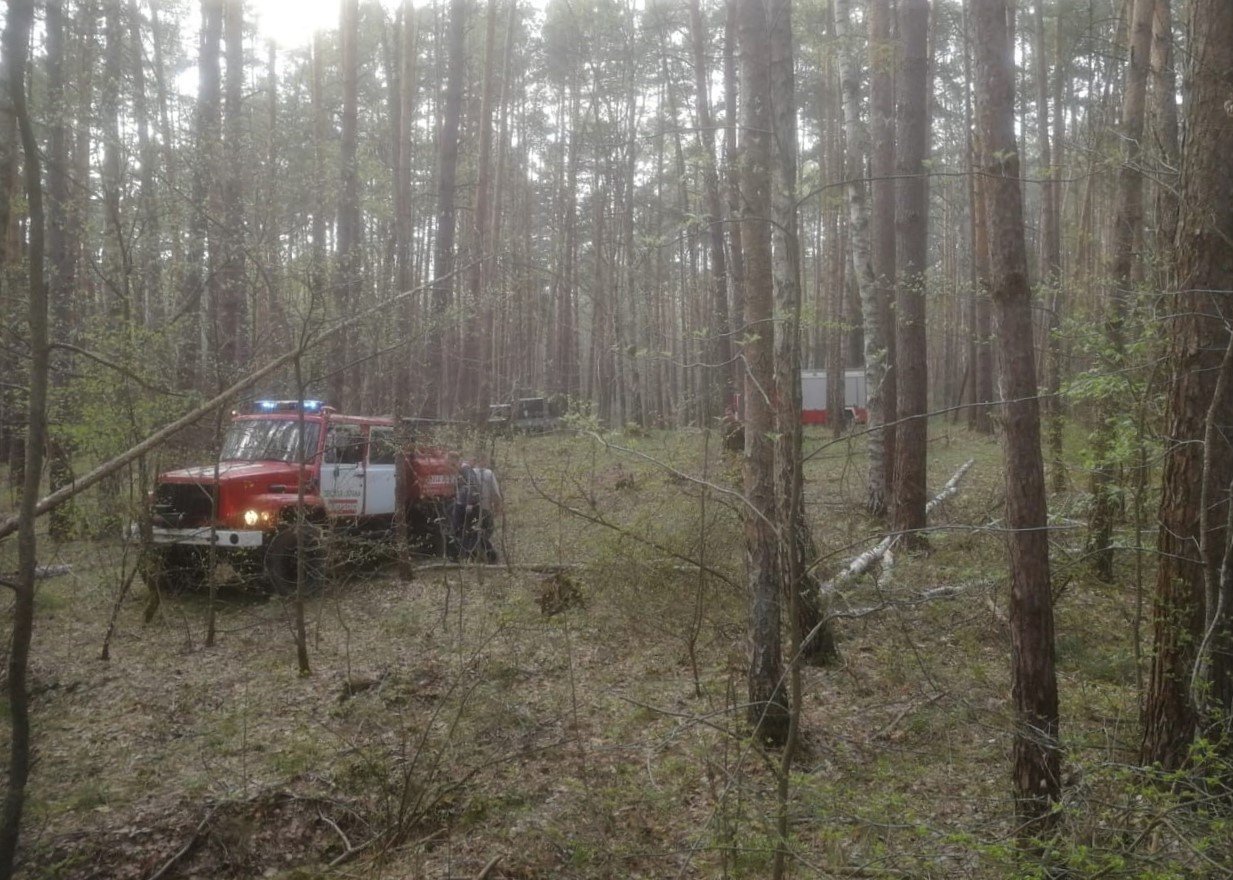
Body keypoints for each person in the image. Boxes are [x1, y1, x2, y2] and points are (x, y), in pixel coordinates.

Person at [472, 459, 503, 563]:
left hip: (473, 510)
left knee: (476, 533)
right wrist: (497, 508)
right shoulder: (489, 474)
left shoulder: (470, 473)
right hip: (485, 509)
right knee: (486, 531)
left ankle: (479, 554)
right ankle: (490, 555)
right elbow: (495, 493)